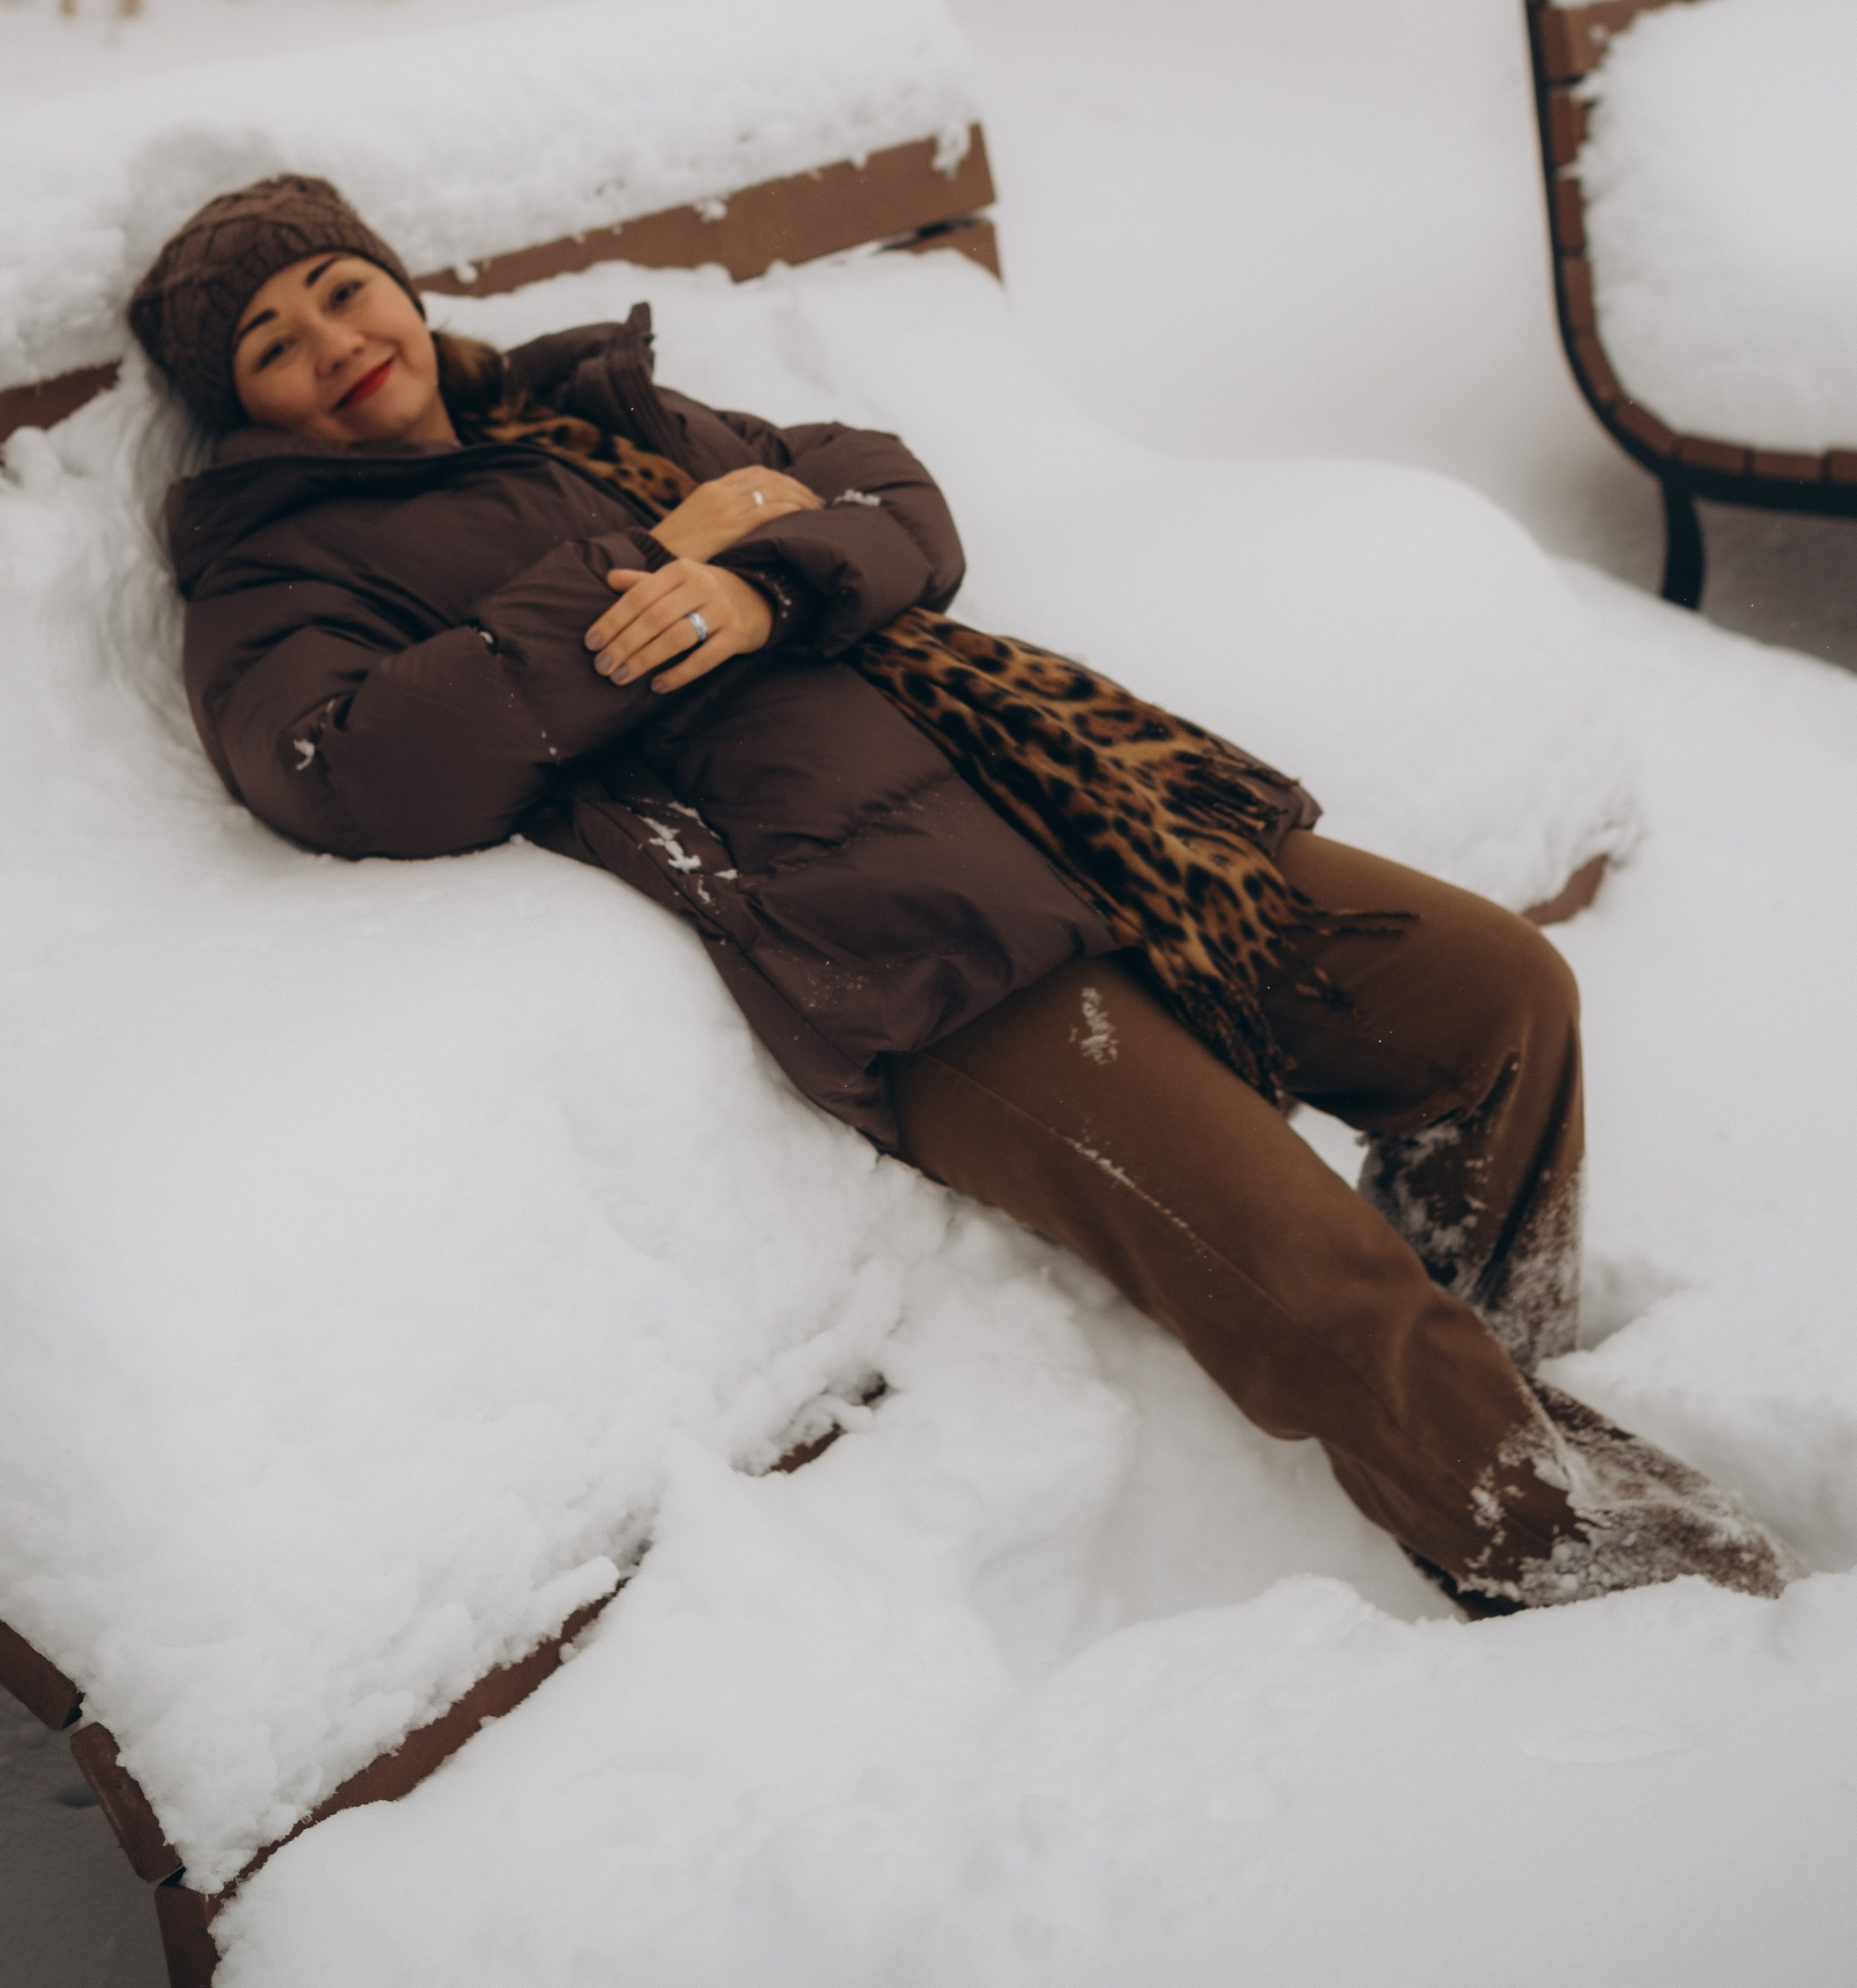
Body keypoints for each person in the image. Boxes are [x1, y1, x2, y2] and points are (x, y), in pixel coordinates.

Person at [129, 174, 1798, 1617]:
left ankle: (1498, 1374)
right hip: (905, 943)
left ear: (399, 288)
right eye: (273, 343)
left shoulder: (592, 410)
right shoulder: (278, 565)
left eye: (341, 288)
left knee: (1492, 999)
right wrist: (646, 580)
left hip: (1075, 800)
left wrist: (768, 579)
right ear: (242, 406)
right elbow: (343, 771)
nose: (336, 342)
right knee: (1310, 1283)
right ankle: (1607, 1571)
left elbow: (895, 504)